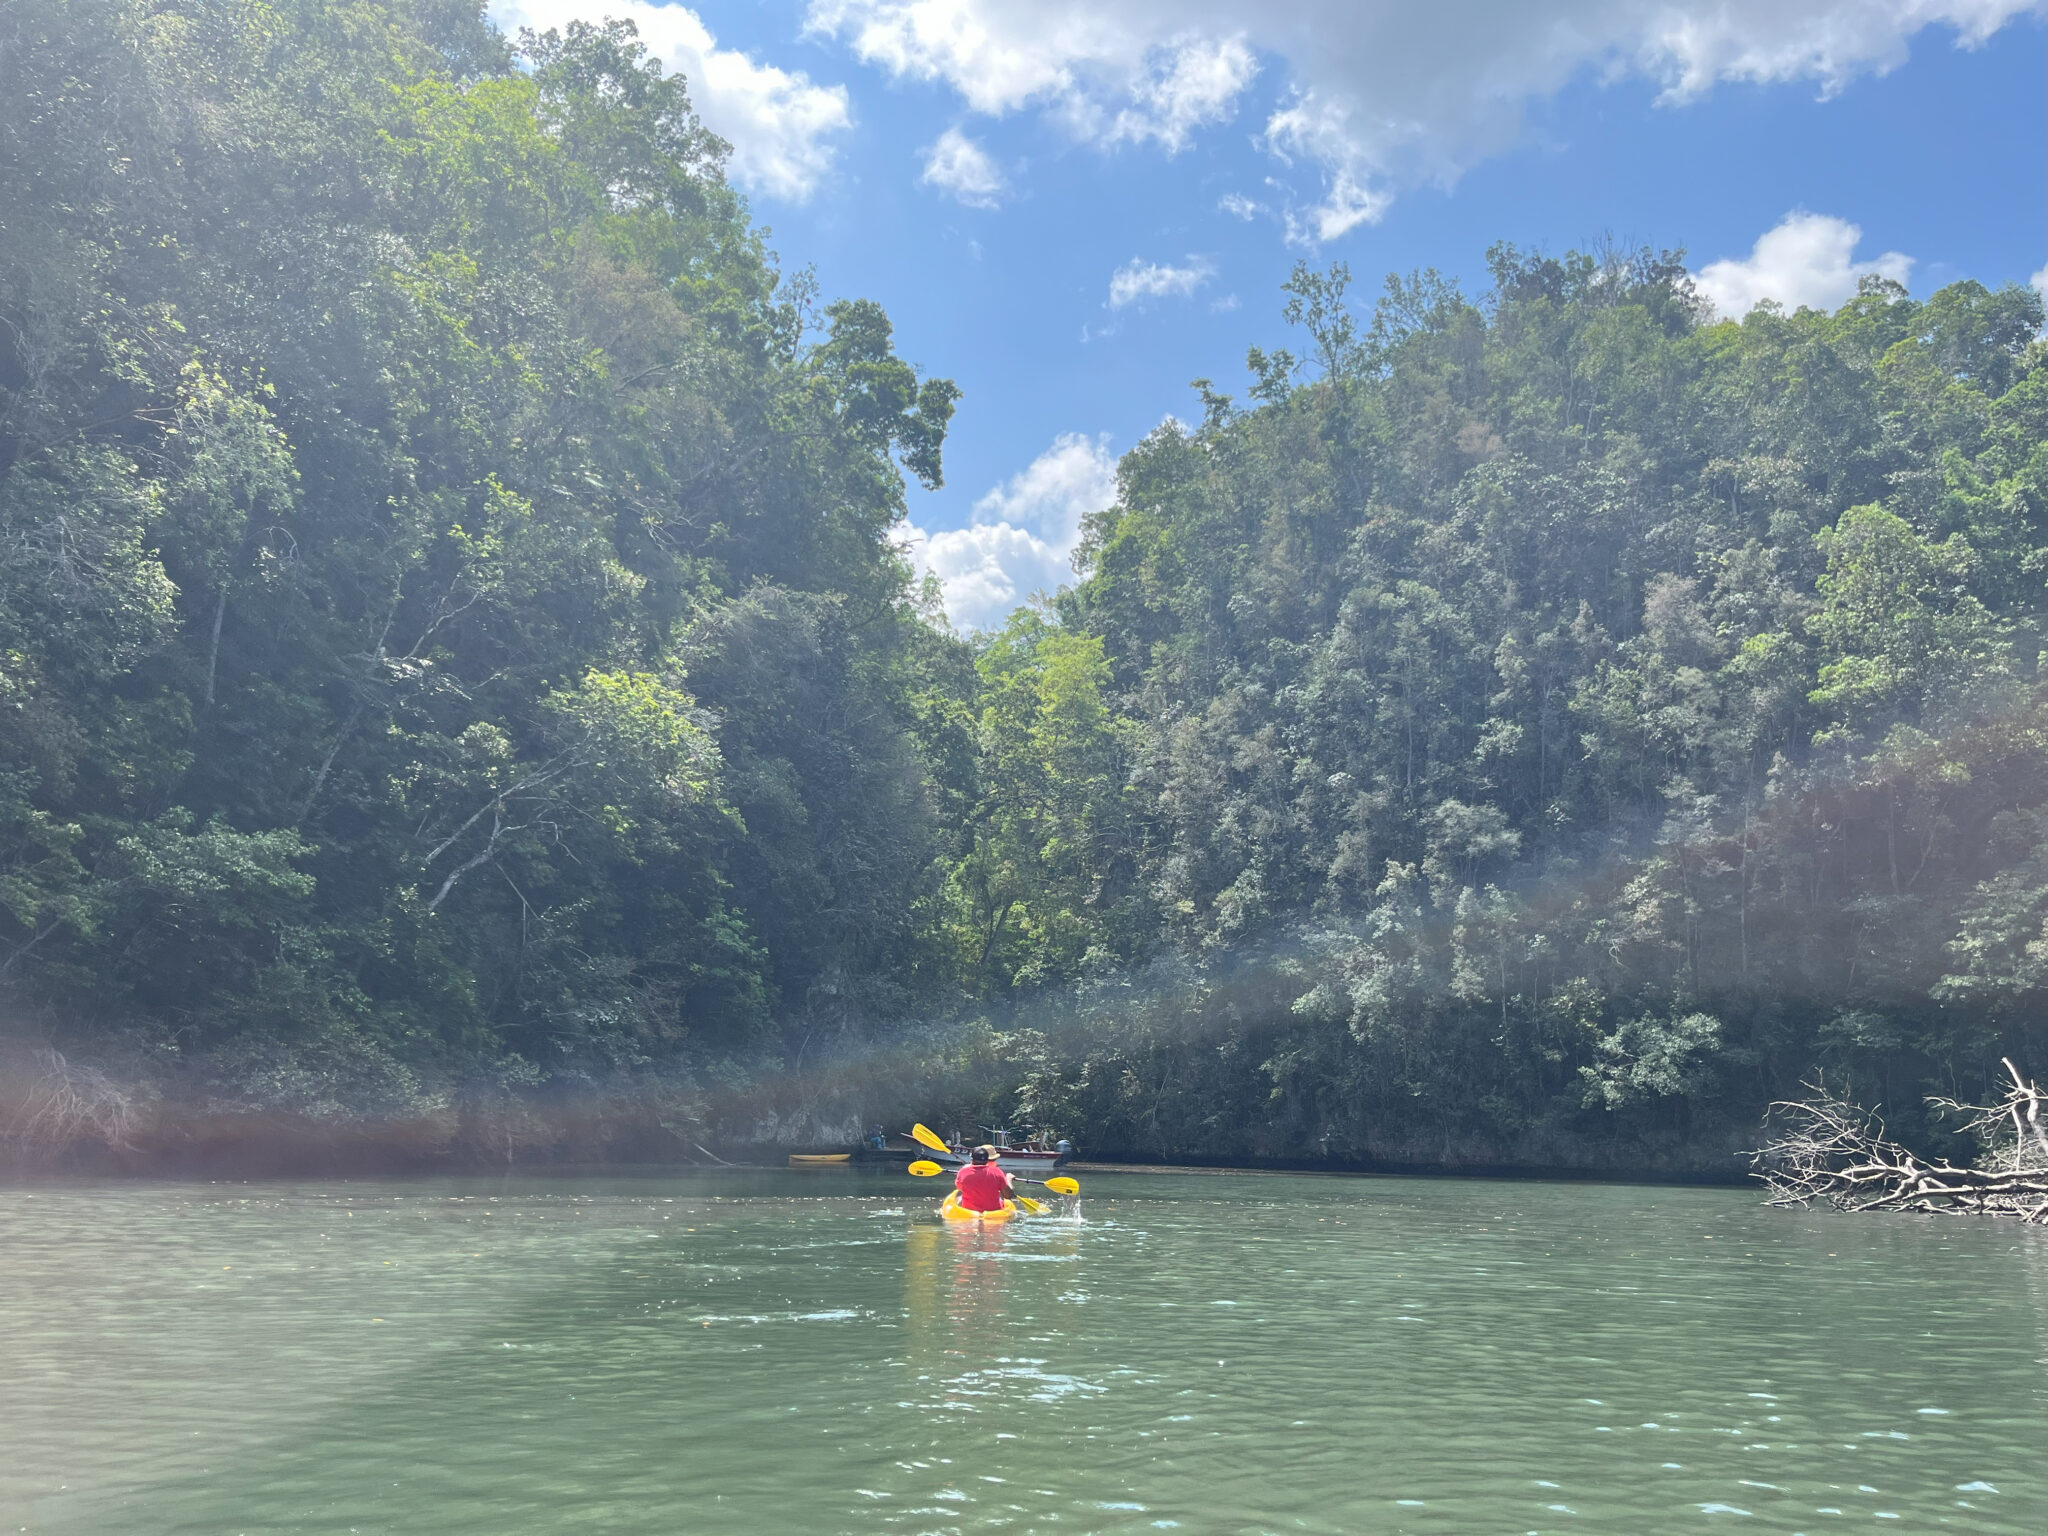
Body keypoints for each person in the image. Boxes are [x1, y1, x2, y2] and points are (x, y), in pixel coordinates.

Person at [952, 1144, 1014, 1213]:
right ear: (987, 1160)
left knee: (959, 1196)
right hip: (993, 1214)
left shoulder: (962, 1171)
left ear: (972, 1159)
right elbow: (1008, 1196)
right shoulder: (997, 1172)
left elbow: (960, 1188)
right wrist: (1008, 1179)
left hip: (970, 1213)